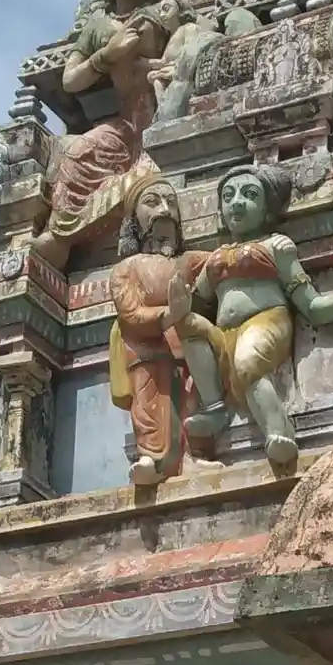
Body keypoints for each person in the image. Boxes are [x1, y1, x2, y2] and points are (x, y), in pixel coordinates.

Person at [170, 163, 333, 471]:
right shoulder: (213, 261)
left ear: (266, 209)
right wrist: (177, 303)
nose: (237, 202)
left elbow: (312, 306)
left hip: (267, 322)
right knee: (189, 328)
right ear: (220, 209)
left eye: (249, 195)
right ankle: (215, 407)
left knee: (248, 361)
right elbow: (195, 305)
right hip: (225, 335)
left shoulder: (276, 246)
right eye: (229, 195)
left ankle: (279, 431)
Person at [32, 0, 167, 273]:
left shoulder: (167, 12)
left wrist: (161, 65)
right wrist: (107, 55)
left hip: (165, 109)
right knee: (78, 153)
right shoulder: (98, 26)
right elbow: (70, 79)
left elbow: (195, 40)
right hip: (125, 123)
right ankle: (59, 238)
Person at [108, 174, 208, 484]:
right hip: (147, 349)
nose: (164, 209)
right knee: (149, 403)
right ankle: (152, 459)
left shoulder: (187, 261)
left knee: (192, 398)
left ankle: (192, 458)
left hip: (187, 345)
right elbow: (131, 313)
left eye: (170, 202)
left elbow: (216, 266)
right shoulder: (127, 268)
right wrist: (171, 313)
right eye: (152, 203)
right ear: (134, 221)